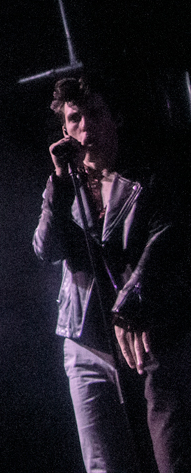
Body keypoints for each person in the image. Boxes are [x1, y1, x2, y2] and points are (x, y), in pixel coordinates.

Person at [32, 75, 191, 473]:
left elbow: (167, 237)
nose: (86, 126)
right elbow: (45, 250)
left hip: (149, 334)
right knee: (103, 464)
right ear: (65, 131)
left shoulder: (147, 177)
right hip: (87, 343)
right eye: (74, 119)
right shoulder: (63, 187)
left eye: (95, 114)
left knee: (173, 454)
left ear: (114, 118)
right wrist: (58, 185)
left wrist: (132, 303)